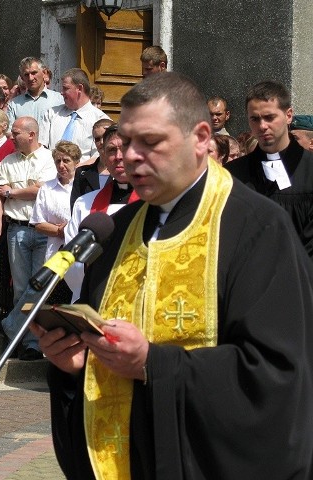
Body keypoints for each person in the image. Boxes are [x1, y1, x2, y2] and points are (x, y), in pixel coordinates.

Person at [32, 71, 313, 478]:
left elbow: (277, 375)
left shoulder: (258, 228)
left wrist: (154, 365)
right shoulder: (117, 229)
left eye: (150, 141)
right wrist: (78, 365)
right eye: (125, 142)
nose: (130, 156)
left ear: (201, 138)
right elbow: (98, 348)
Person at [0, 116, 57, 360]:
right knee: (20, 288)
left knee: (38, 287)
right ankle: (27, 343)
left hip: (43, 230)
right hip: (16, 229)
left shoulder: (49, 159)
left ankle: (12, 327)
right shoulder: (7, 162)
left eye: (16, 132)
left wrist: (13, 191)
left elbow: (42, 191)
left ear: (31, 134)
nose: (11, 136)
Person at [226, 80, 313, 258]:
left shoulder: (310, 171)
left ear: (288, 115)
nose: (262, 126)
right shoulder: (232, 175)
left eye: (269, 117)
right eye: (255, 119)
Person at [65, 124, 139, 301]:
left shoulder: (157, 201)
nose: (118, 157)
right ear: (104, 157)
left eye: (125, 148)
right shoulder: (84, 203)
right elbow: (71, 260)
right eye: (111, 150)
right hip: (93, 297)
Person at [29, 141, 81, 304]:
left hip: (79, 252)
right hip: (55, 252)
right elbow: (38, 223)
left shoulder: (84, 186)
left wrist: (70, 228)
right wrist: (60, 231)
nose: (61, 165)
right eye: (58, 161)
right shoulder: (47, 189)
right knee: (55, 300)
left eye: (66, 160)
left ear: (76, 162)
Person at [39, 68, 110, 162]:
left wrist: (74, 171)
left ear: (79, 88)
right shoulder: (51, 114)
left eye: (66, 88)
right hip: (51, 173)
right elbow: (41, 148)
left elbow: (98, 156)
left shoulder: (100, 120)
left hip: (82, 174)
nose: (61, 92)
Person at [6, 57, 63, 127]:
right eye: (26, 75)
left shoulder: (59, 100)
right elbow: (10, 133)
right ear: (22, 77)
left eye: (34, 73)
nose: (30, 78)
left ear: (44, 73)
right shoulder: (14, 105)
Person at [70, 118, 115, 207]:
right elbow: (75, 205)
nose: (101, 142)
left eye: (105, 136)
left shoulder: (124, 170)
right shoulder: (82, 173)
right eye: (97, 139)